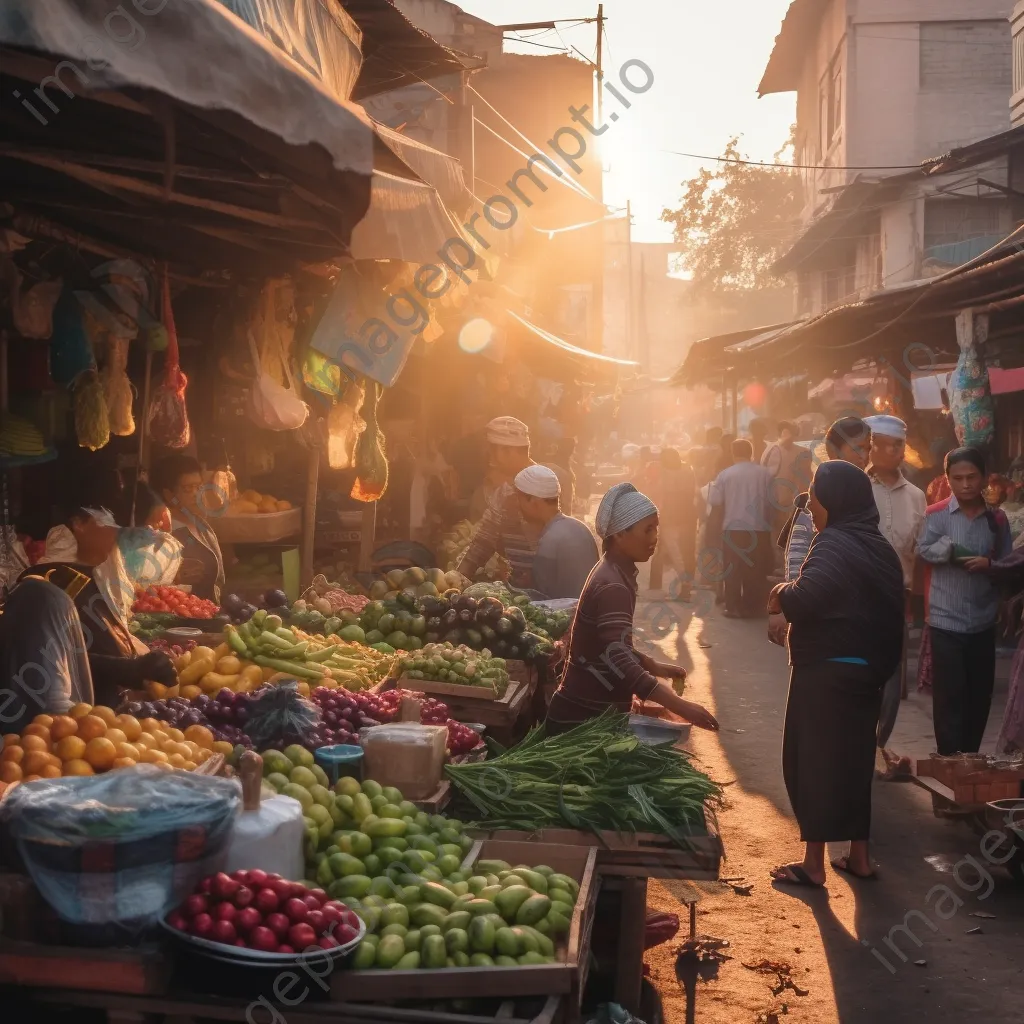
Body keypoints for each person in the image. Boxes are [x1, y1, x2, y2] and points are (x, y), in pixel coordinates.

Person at [768, 461, 904, 886]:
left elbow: (807, 597)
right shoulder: (878, 546)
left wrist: (777, 595)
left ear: (836, 500)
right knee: (854, 764)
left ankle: (813, 865)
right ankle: (858, 858)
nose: (810, 505)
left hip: (828, 674)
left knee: (816, 764)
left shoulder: (834, 543)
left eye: (815, 495)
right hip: (868, 675)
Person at [544, 483, 719, 735]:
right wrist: (680, 705)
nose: (654, 537)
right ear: (618, 535)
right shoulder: (612, 585)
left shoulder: (615, 571)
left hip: (587, 711)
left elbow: (612, 646)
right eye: (647, 529)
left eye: (656, 528)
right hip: (582, 718)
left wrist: (650, 664)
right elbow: (618, 658)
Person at [18, 506, 178, 708]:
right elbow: (43, 661)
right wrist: (124, 669)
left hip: (106, 715)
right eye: (108, 522)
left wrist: (136, 659)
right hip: (71, 720)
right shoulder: (48, 583)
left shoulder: (95, 576)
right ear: (79, 524)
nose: (117, 531)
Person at [917, 448, 1011, 755]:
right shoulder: (936, 514)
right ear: (948, 480)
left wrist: (989, 564)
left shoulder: (997, 519)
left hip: (983, 619)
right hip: (945, 619)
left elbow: (1008, 563)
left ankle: (970, 758)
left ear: (984, 477)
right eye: (958, 478)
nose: (966, 484)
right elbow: (923, 550)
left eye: (972, 477)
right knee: (949, 697)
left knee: (979, 696)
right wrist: (949, 549)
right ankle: (949, 763)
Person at [861, 414, 926, 756]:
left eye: (896, 444)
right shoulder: (855, 487)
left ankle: (876, 743)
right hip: (855, 597)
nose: (890, 450)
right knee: (857, 673)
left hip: (894, 599)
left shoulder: (916, 496)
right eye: (881, 444)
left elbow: (919, 549)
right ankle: (855, 740)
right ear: (869, 447)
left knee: (891, 677)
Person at [777, 417, 870, 581]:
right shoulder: (814, 502)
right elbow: (795, 570)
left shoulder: (870, 495)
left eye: (868, 449)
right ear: (833, 452)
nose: (864, 456)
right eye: (858, 448)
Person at [457, 417, 537, 587]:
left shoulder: (545, 484)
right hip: (519, 587)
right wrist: (458, 577)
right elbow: (483, 541)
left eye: (494, 452)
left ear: (508, 451)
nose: (491, 459)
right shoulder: (504, 492)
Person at [709, 438, 773, 619]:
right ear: (750, 452)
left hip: (733, 528)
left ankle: (733, 607)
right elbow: (771, 501)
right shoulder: (765, 474)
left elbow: (715, 501)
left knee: (733, 568)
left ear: (733, 453)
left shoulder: (725, 474)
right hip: (759, 528)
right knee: (755, 568)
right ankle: (753, 607)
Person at [514, 466, 598, 599]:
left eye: (520, 500)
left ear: (534, 502)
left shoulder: (550, 539)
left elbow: (543, 596)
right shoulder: (581, 528)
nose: (518, 506)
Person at [154, 454, 226, 604]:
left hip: (210, 614)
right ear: (169, 495)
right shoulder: (162, 535)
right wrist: (175, 578)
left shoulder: (203, 525)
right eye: (188, 488)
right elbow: (146, 587)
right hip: (181, 619)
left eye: (199, 487)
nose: (196, 494)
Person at [653, 448, 697, 599]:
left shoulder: (666, 473)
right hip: (687, 515)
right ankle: (685, 584)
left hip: (672, 516)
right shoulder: (688, 469)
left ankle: (685, 585)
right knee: (685, 552)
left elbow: (663, 494)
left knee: (676, 552)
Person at [762, 421, 812, 541]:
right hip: (775, 500)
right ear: (780, 433)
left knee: (793, 535)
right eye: (785, 432)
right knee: (777, 534)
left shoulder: (803, 452)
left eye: (790, 432)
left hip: (795, 501)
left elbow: (806, 476)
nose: (788, 436)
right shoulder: (771, 450)